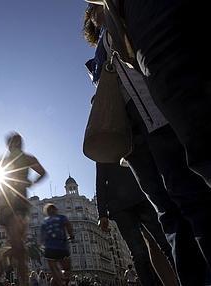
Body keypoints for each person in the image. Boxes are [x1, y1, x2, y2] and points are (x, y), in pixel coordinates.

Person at [83, 4, 211, 284]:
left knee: (190, 198)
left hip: (161, 121)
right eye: (92, 12)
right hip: (135, 139)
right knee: (168, 214)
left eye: (96, 8)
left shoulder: (131, 19)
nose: (96, 12)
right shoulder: (100, 49)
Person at [95, 162, 175, 286]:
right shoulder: (102, 146)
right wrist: (102, 214)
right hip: (122, 206)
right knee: (139, 252)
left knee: (162, 243)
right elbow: (100, 181)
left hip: (142, 196)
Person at [0, 132, 46, 285]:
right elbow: (42, 173)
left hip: (15, 206)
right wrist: (31, 182)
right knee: (19, 247)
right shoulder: (26, 158)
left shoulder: (7, 160)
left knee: (18, 248)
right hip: (13, 206)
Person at [40, 204, 74, 286]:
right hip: (62, 247)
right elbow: (69, 226)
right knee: (67, 268)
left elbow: (42, 236)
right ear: (56, 210)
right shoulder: (62, 217)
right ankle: (65, 279)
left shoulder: (45, 221)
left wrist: (42, 246)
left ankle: (60, 281)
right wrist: (71, 235)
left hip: (49, 249)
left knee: (53, 268)